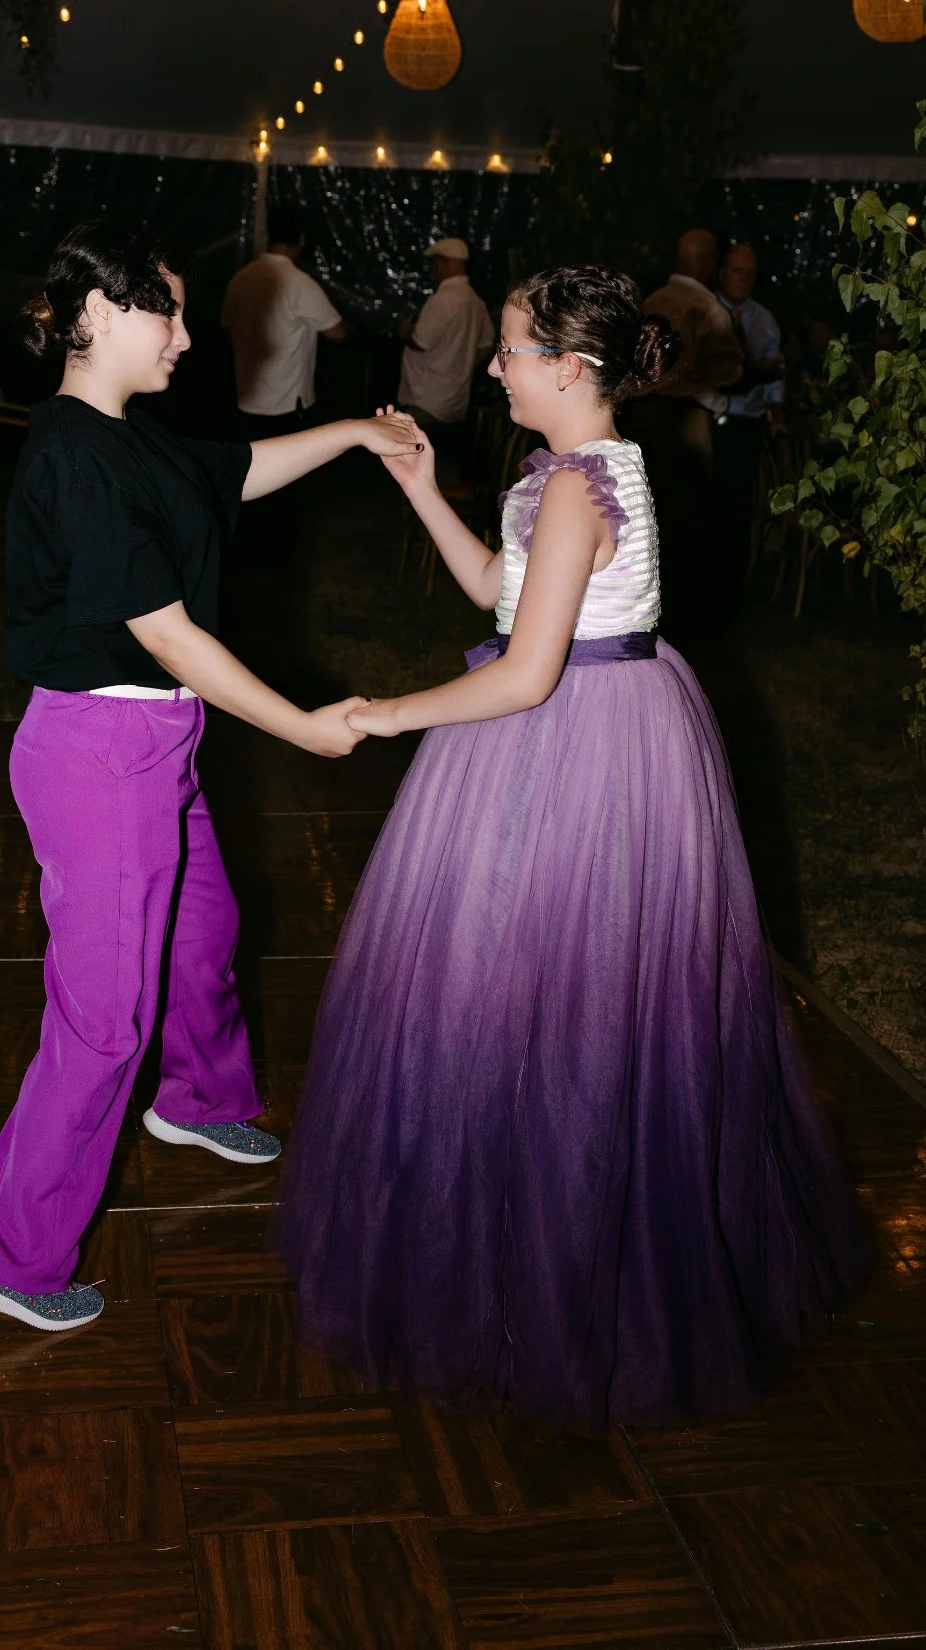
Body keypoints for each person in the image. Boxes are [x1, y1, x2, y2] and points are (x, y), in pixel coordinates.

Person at [275, 264, 871, 1431]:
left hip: (573, 749)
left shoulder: (568, 490)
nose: (494, 366)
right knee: (560, 1001)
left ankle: (538, 1272)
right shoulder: (588, 469)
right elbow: (497, 593)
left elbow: (523, 674)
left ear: (568, 367)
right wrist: (420, 487)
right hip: (610, 721)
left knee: (534, 1007)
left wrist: (384, 713)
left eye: (508, 349)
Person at [0, 221, 420, 1332]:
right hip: (101, 754)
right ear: (98, 315)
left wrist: (357, 433)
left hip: (158, 741)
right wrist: (301, 728)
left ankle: (197, 1100)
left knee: (203, 932)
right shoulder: (75, 458)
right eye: (168, 314)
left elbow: (240, 469)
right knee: (104, 1021)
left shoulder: (130, 436)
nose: (188, 339)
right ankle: (8, 1257)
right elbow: (165, 634)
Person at [628, 229, 744, 634]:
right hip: (687, 421)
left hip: (642, 419)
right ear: (707, 262)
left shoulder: (651, 301)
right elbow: (731, 370)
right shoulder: (708, 308)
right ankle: (687, 613)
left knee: (647, 514)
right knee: (688, 517)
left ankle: (649, 605)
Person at [221, 206, 347, 438]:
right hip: (287, 405)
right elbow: (338, 332)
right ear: (301, 240)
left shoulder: (240, 279)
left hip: (246, 400)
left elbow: (227, 325)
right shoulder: (300, 283)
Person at [714, 242, 786, 586]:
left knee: (739, 506)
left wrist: (777, 414)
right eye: (736, 271)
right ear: (722, 273)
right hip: (708, 420)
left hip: (745, 424)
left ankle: (734, 580)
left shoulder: (764, 319)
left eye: (750, 274)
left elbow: (776, 374)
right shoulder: (706, 308)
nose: (743, 279)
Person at [397, 236, 494, 453]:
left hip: (427, 398)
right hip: (456, 399)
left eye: (435, 264)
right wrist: (460, 362)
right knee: (443, 458)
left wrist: (405, 332)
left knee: (414, 456)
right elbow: (486, 345)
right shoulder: (476, 302)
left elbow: (421, 342)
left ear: (443, 263)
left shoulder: (442, 299)